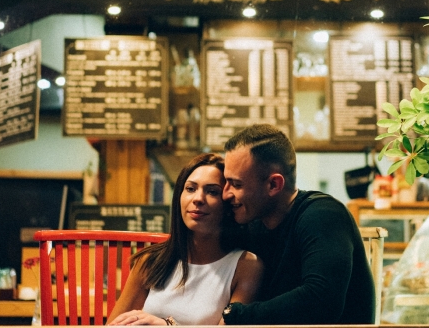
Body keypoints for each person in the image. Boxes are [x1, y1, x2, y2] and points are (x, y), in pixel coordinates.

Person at [221, 124, 376, 325]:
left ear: (274, 185)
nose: (225, 194)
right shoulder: (254, 226)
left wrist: (237, 315)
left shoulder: (322, 215)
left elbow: (321, 300)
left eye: (236, 184)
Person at [107, 153, 263, 326]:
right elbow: (112, 327)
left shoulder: (246, 267)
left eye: (212, 192)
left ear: (227, 204)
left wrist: (168, 326)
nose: (198, 198)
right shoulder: (150, 261)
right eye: (190, 189)